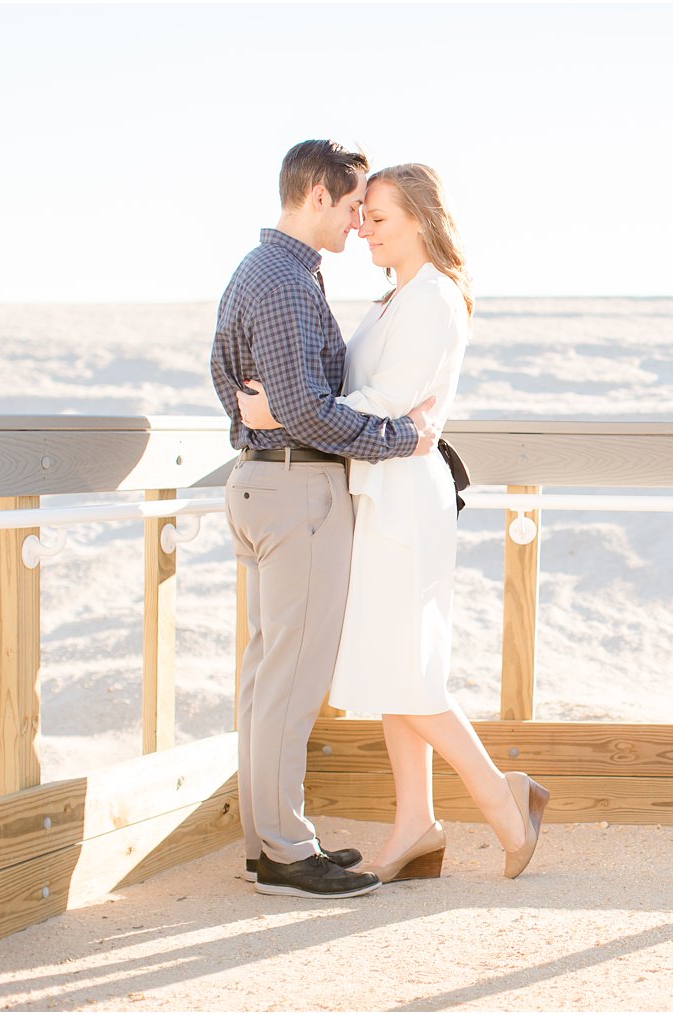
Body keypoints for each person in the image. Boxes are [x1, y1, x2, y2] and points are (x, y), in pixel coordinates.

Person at [238, 163, 549, 885]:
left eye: (378, 217)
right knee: (388, 664)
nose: (363, 228)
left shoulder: (436, 298)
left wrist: (276, 411)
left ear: (419, 219)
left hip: (406, 496)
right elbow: (348, 394)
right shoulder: (387, 302)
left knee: (412, 671)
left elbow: (381, 400)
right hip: (373, 489)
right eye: (363, 214)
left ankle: (504, 798)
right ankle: (416, 822)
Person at [210, 140, 440, 900]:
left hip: (263, 484)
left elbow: (226, 374)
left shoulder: (261, 270)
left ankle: (268, 841)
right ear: (316, 196)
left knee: (264, 677)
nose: (355, 225)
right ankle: (282, 849)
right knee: (290, 679)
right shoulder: (282, 281)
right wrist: (401, 436)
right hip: (295, 494)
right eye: (350, 208)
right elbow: (308, 408)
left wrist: (261, 422)